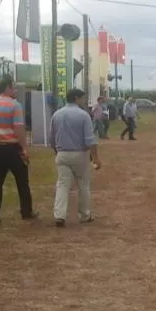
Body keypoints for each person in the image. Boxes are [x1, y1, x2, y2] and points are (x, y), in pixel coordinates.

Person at [0, 76, 36, 224]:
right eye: (13, 87)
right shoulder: (15, 105)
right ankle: (26, 212)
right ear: (7, 88)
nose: (15, 90)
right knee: (22, 182)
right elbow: (19, 129)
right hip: (13, 148)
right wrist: (24, 148)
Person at [49, 88, 101, 227]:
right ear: (77, 98)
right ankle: (84, 214)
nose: (83, 101)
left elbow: (52, 139)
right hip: (80, 154)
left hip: (62, 154)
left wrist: (57, 152)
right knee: (83, 185)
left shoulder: (57, 114)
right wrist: (95, 158)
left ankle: (59, 215)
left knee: (62, 185)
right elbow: (90, 139)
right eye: (82, 98)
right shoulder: (83, 115)